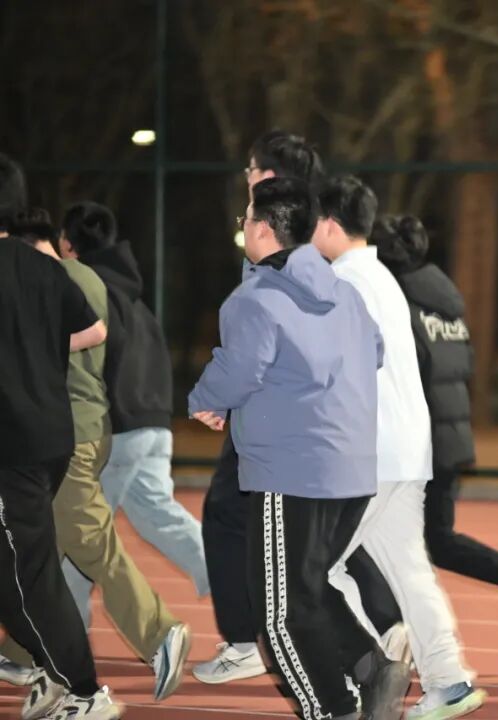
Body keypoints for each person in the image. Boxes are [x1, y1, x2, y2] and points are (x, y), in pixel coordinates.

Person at [189, 176, 389, 720]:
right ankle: (368, 666)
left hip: (293, 469)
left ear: (261, 229)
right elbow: (374, 351)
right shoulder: (345, 293)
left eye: (245, 219)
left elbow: (239, 370)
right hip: (352, 468)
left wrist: (204, 400)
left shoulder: (254, 299)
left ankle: (333, 709)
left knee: (279, 617)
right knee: (306, 588)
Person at [314, 176, 486, 720]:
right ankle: (448, 680)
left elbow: (338, 370)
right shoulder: (383, 277)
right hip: (409, 448)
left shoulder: (342, 281)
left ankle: (372, 663)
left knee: (311, 571)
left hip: (369, 451)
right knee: (410, 569)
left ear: (329, 225)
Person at [3, 209, 191, 707]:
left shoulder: (49, 277)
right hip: (88, 424)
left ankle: (158, 631)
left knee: (88, 541)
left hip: (70, 427)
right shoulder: (84, 278)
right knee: (46, 545)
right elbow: (101, 338)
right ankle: (24, 652)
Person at [194, 129, 327, 684]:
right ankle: (373, 634)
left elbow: (262, 339)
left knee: (232, 516)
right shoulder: (315, 237)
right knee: (313, 535)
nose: (246, 177)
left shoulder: (273, 247)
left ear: (268, 177)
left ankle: (251, 642)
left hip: (275, 413)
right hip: (305, 409)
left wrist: (221, 395)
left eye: (251, 169)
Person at [0, 156, 123, 719]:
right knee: (13, 568)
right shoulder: (46, 268)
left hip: (15, 443)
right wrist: (37, 347)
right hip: (50, 435)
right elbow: (93, 329)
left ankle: (86, 691)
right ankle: (53, 671)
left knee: (31, 571)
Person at [53, 201, 208, 627]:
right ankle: (235, 583)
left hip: (117, 429)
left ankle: (62, 634)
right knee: (160, 517)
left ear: (68, 245)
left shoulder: (88, 293)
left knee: (80, 530)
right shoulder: (135, 296)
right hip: (154, 423)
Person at [371, 214, 498, 611]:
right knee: (435, 540)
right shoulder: (444, 305)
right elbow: (462, 367)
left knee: (369, 537)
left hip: (415, 446)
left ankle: (390, 628)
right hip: (448, 441)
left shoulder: (396, 306)